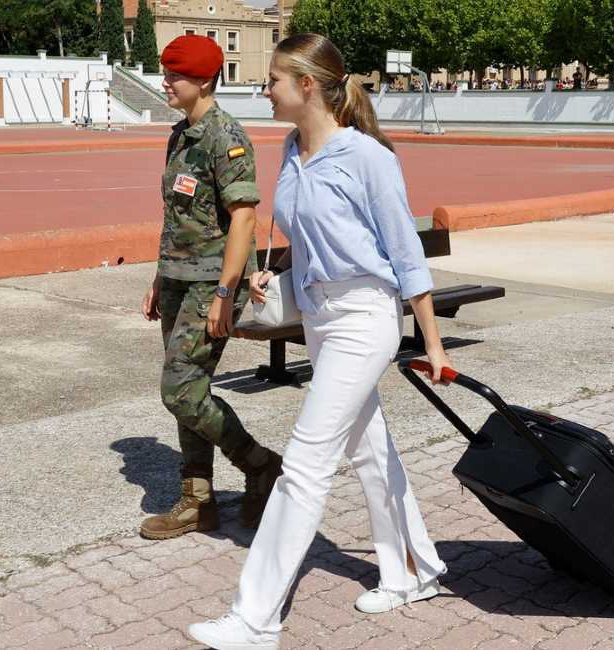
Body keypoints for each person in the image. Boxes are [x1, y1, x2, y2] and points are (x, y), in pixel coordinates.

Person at [187, 32, 452, 649]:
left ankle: (256, 619)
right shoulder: (291, 148)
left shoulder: (368, 158)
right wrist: (272, 271)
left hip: (365, 317)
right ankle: (415, 571)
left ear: (307, 85)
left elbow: (405, 255)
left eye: (273, 80)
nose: (265, 90)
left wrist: (432, 342)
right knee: (368, 449)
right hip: (319, 316)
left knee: (306, 463)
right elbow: (304, 235)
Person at [139, 34, 283, 540]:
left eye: (174, 75)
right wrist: (159, 274)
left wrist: (226, 293)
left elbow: (243, 219)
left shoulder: (227, 138)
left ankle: (260, 464)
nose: (166, 82)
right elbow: (174, 216)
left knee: (178, 390)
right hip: (178, 280)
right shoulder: (180, 135)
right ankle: (197, 500)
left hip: (212, 286)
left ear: (202, 80)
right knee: (189, 392)